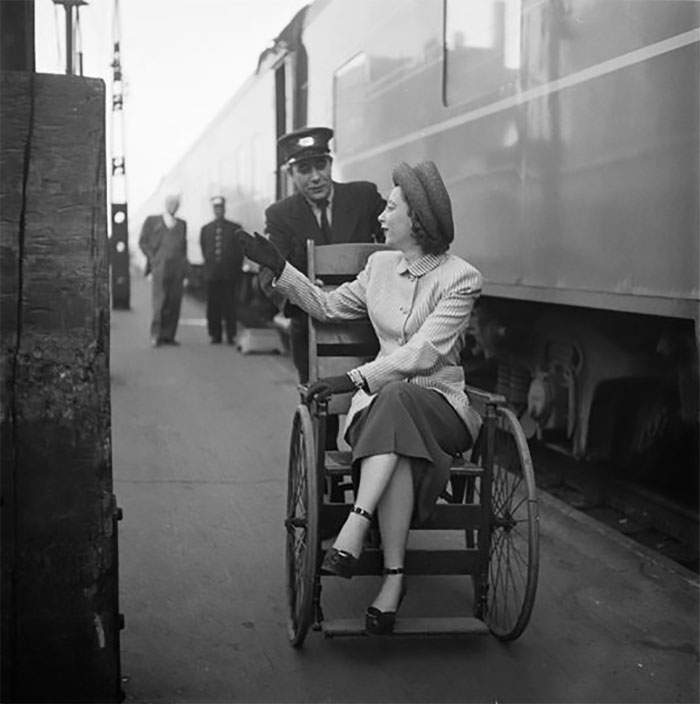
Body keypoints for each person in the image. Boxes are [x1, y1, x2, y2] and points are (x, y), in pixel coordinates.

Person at [242, 160, 483, 635]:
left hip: (439, 406)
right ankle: (392, 583)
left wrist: (351, 380)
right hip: (386, 416)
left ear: (416, 220)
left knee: (394, 398)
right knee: (396, 434)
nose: (381, 216)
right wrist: (280, 267)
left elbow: (420, 354)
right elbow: (328, 306)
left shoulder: (460, 278)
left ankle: (356, 523)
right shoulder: (378, 268)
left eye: (390, 208)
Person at [260, 125, 386, 451]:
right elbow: (269, 269)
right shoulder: (280, 215)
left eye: (321, 165)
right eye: (304, 169)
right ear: (291, 174)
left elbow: (396, 241)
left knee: (375, 408)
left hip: (368, 327)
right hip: (312, 329)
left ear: (330, 164)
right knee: (322, 414)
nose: (315, 177)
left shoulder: (364, 197)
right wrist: (299, 289)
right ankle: (324, 483)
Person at [138, 194, 188, 347]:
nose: (173, 206)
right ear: (166, 204)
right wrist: (153, 258)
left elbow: (183, 249)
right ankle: (156, 335)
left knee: (174, 302)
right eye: (171, 203)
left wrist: (185, 271)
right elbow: (142, 242)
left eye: (176, 204)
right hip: (160, 268)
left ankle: (169, 336)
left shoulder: (182, 224)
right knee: (160, 302)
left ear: (178, 206)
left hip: (177, 269)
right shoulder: (152, 221)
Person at [200, 196, 245, 344]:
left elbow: (240, 251)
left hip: (229, 274)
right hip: (212, 274)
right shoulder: (206, 229)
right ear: (213, 210)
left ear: (224, 209)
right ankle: (215, 334)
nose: (218, 210)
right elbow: (204, 249)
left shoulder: (235, 228)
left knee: (229, 305)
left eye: (220, 208)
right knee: (213, 306)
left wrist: (235, 268)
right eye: (215, 208)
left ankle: (231, 334)